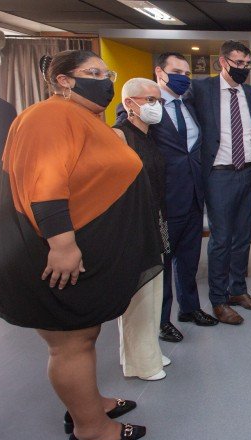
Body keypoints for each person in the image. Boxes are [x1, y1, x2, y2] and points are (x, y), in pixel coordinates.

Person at [0, 50, 160, 440]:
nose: (104, 81)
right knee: (69, 343)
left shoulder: (83, 117)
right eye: (93, 72)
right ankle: (92, 431)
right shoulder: (48, 116)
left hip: (83, 246)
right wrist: (62, 245)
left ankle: (89, 406)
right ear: (63, 80)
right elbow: (44, 186)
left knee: (83, 336)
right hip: (57, 252)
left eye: (107, 73)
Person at [190, 40, 251, 325]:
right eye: (238, 63)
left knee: (244, 236)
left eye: (247, 64)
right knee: (221, 239)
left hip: (248, 171)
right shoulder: (201, 89)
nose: (244, 68)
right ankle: (218, 299)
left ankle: (238, 291)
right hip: (219, 174)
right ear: (222, 62)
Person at [150, 52, 217, 342]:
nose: (183, 78)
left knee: (189, 258)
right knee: (163, 262)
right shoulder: (146, 108)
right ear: (159, 72)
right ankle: (161, 320)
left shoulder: (188, 105)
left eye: (187, 74)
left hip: (193, 195)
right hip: (164, 199)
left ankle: (189, 308)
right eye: (176, 71)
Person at [112, 78, 171, 381]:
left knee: (153, 290)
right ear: (129, 104)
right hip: (132, 223)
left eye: (158, 100)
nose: (155, 106)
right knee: (138, 294)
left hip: (155, 218)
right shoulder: (119, 135)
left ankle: (147, 351)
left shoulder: (150, 135)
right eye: (149, 100)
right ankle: (141, 363)